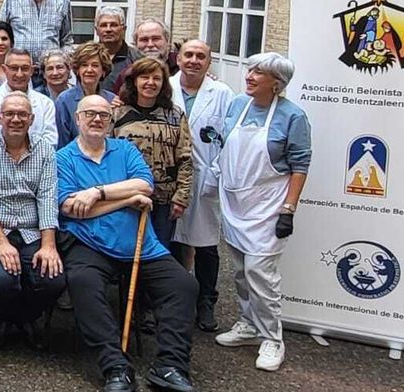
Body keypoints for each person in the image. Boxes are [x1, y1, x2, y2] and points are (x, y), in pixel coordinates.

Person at [59, 95, 199, 392]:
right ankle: (115, 367)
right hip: (90, 245)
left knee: (183, 285)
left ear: (110, 121)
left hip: (141, 245)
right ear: (78, 119)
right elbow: (71, 209)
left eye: (104, 115)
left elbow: (145, 185)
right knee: (83, 282)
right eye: (90, 114)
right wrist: (125, 199)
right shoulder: (64, 158)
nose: (97, 119)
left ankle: (171, 366)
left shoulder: (125, 150)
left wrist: (97, 193)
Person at [213, 52, 311, 373]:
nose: (250, 75)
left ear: (277, 83)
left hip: (268, 206)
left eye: (260, 72)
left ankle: (272, 337)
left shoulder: (292, 117)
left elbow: (299, 165)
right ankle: (248, 323)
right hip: (235, 202)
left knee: (260, 273)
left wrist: (289, 209)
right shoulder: (238, 106)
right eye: (251, 69)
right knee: (240, 270)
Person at [0, 91, 63, 338]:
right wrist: (1, 243)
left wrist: (49, 245)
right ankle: (7, 317)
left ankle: (21, 318)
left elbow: (47, 198)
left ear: (32, 119)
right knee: (3, 280)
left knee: (52, 281)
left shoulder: (45, 150)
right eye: (10, 114)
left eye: (22, 114)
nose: (16, 119)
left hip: (32, 231)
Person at [171, 39, 234, 332]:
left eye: (200, 56)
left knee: (206, 244)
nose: (194, 61)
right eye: (189, 55)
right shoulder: (166, 87)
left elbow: (229, 138)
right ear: (179, 59)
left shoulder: (222, 94)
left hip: (207, 175)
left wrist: (218, 172)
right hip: (172, 176)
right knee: (172, 240)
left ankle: (206, 301)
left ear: (209, 62)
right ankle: (172, 300)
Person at [110, 56, 194, 251]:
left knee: (158, 252)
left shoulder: (175, 115)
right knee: (126, 250)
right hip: (127, 198)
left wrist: (181, 197)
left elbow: (185, 158)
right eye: (144, 77)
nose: (150, 83)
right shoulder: (117, 114)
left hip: (164, 202)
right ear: (134, 81)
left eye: (156, 78)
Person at [0, 49, 57, 149]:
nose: (19, 74)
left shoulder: (46, 104)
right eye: (14, 68)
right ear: (4, 69)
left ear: (32, 71)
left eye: (24, 68)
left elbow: (50, 142)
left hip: (37, 163)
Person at [56, 41, 117, 147]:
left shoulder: (112, 100)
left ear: (103, 71)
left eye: (95, 65)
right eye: (84, 65)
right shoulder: (64, 100)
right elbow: (62, 142)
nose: (89, 70)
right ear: (77, 70)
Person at [95, 6, 140, 89]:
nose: (108, 29)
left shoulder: (137, 58)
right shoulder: (88, 57)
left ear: (124, 29)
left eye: (114, 25)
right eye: (104, 25)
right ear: (96, 30)